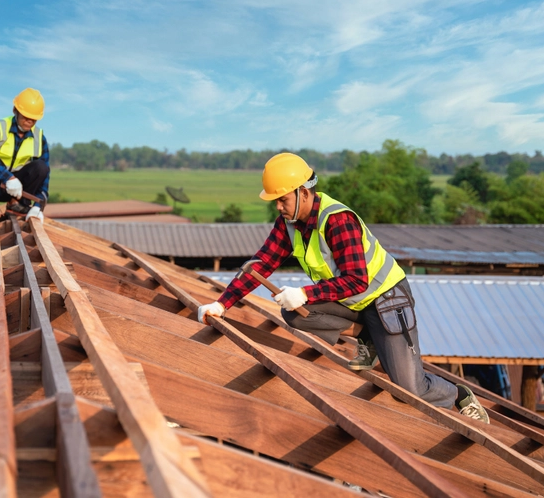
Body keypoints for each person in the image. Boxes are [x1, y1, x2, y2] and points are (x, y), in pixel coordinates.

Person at [197, 153, 490, 423]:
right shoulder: (289, 223)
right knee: (295, 314)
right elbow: (260, 264)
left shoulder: (337, 220)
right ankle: (369, 339)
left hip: (387, 299)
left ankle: (458, 394)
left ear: (303, 193)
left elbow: (357, 281)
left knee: (408, 388)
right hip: (354, 303)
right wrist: (222, 304)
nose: (278, 206)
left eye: (282, 199)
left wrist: (305, 293)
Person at [0, 88, 50, 221]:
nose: (29, 121)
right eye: (26, 116)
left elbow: (44, 175)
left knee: (41, 167)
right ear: (15, 110)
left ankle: (16, 205)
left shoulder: (39, 137)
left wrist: (38, 206)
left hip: (19, 192)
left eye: (34, 119)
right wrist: (7, 178)